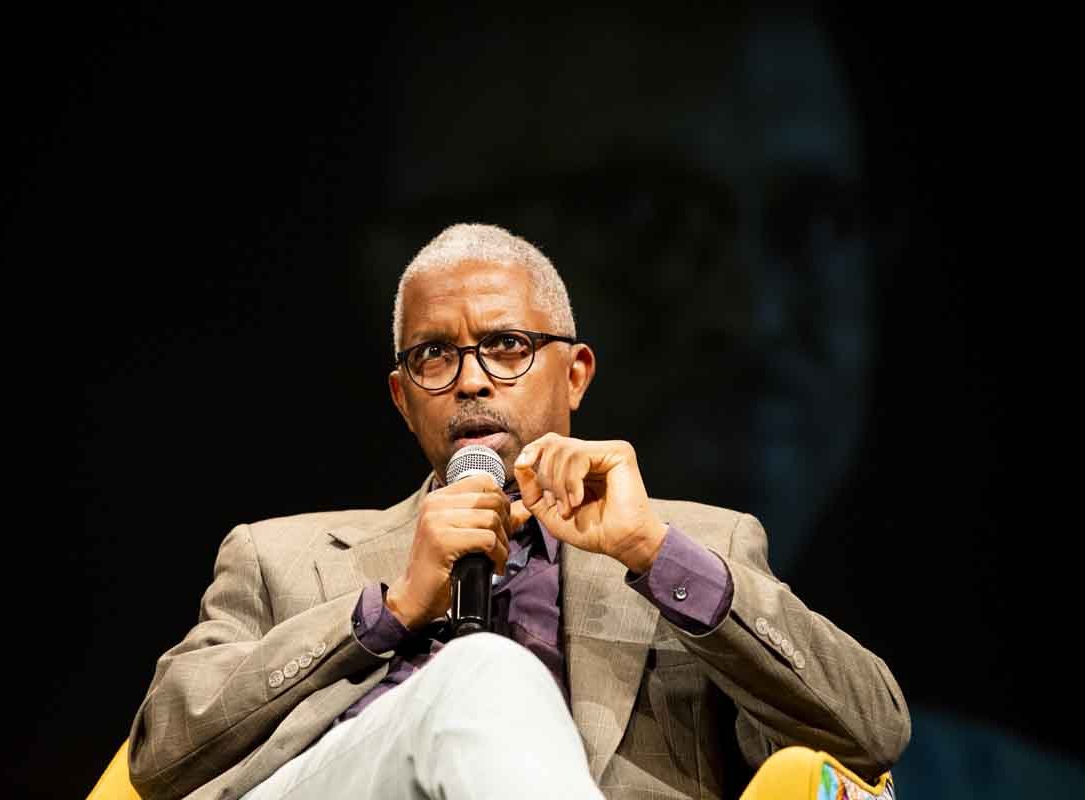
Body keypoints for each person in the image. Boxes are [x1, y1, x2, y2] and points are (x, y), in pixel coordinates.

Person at [127, 224, 910, 800]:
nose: (469, 381)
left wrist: (648, 549)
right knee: (484, 672)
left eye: (505, 345)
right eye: (433, 355)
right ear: (403, 400)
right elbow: (160, 755)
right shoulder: (280, 555)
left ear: (574, 376)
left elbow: (873, 732)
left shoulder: (698, 547)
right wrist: (388, 611)